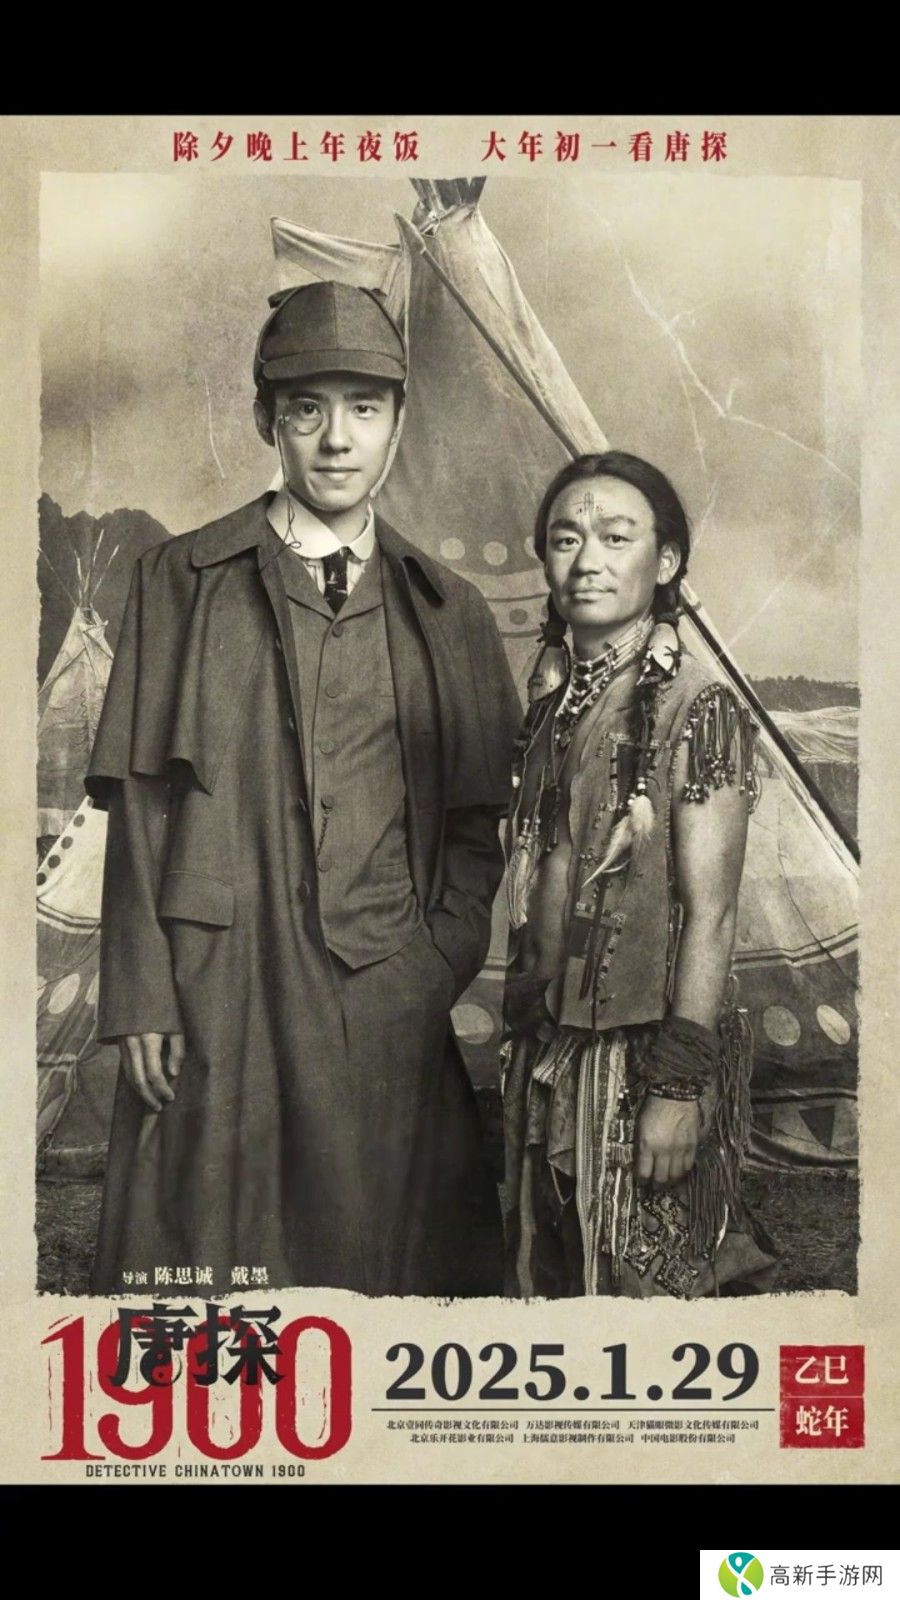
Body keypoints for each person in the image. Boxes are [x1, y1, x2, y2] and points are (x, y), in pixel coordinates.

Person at [85, 280, 522, 1297]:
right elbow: (141, 807)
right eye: (306, 409)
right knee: (212, 1284)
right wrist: (143, 994)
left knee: (392, 1280)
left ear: (399, 423)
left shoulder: (450, 610)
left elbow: (476, 830)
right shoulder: (177, 580)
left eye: (364, 408)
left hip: (386, 990)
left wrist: (433, 966)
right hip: (218, 985)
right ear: (264, 420)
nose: (337, 438)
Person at [501, 451, 777, 1297]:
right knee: (553, 1277)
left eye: (616, 538)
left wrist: (679, 1090)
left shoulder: (700, 705)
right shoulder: (558, 702)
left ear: (665, 562)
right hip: (554, 1038)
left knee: (644, 1290)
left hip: (643, 1053)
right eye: (566, 539)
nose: (586, 560)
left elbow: (712, 915)